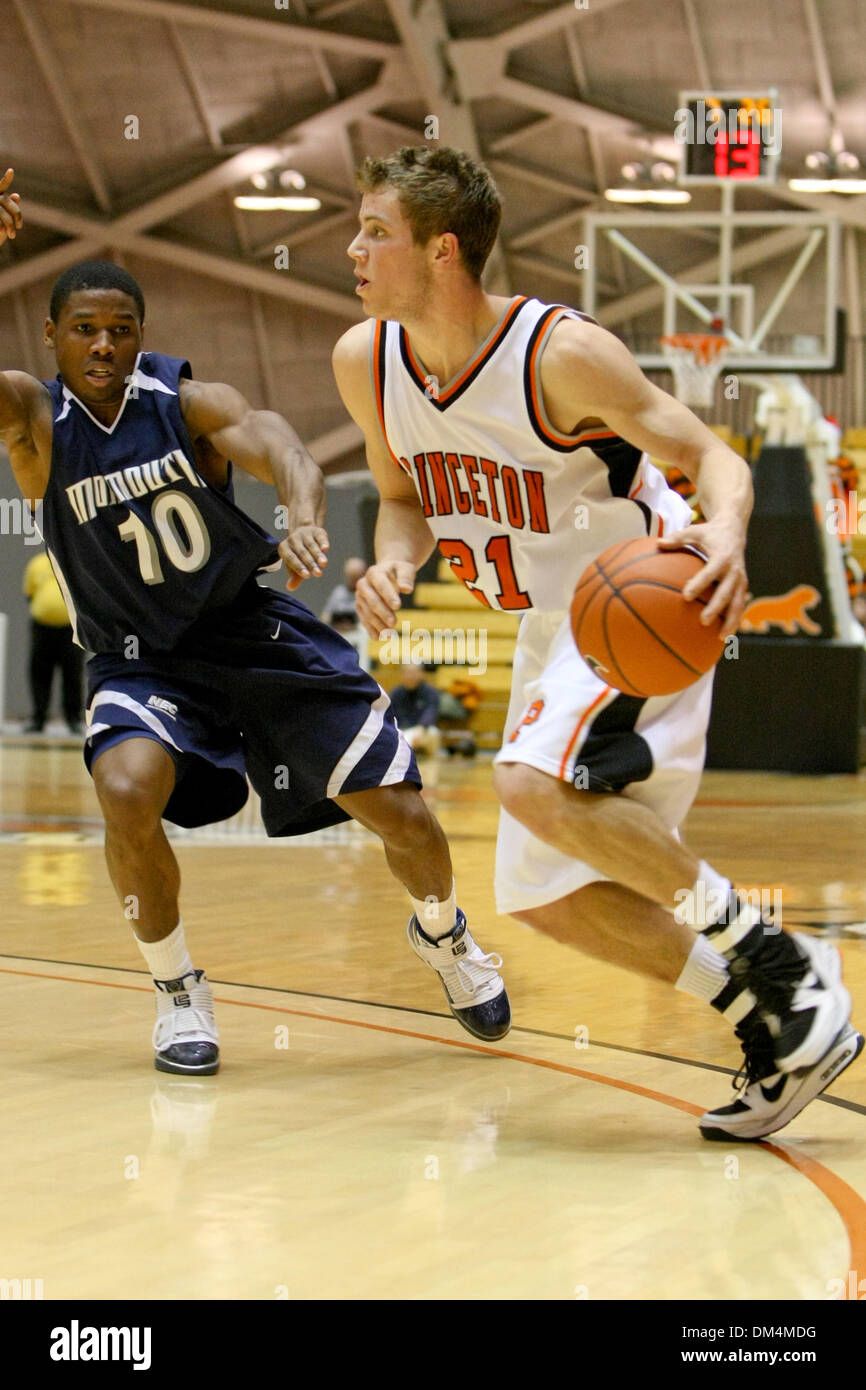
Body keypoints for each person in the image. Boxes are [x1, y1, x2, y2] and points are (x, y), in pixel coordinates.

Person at [332, 143, 862, 1141]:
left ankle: (783, 964)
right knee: (539, 892)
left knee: (528, 783)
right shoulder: (366, 359)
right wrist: (394, 565)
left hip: (643, 589)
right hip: (551, 620)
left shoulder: (557, 355)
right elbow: (399, 498)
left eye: (374, 232)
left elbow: (707, 452)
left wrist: (729, 535)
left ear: (442, 250)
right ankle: (771, 1019)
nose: (351, 249)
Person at [0, 167, 510, 1076]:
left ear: (142, 334)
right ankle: (177, 992)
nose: (105, 346)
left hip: (253, 634)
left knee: (403, 817)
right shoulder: (35, 420)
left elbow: (276, 440)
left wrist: (306, 511)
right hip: (138, 662)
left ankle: (445, 935)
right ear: (53, 337)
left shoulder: (185, 404)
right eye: (85, 331)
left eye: (122, 330)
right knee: (123, 790)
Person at [22, 547, 84, 734]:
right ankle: (38, 719)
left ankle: (73, 720)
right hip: (42, 628)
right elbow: (29, 594)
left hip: (70, 629)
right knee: (40, 674)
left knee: (72, 674)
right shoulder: (36, 564)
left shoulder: (74, 561)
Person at [389, 664, 442, 757]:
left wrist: (421, 728)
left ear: (421, 674)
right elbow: (390, 716)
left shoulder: (430, 692)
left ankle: (432, 763)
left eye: (414, 673)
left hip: (422, 730)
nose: (410, 676)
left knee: (433, 733)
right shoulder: (396, 693)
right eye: (407, 673)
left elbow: (431, 711)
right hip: (401, 732)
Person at [321, 556, 368, 632]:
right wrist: (337, 621)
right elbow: (325, 617)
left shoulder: (368, 593)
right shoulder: (338, 593)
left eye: (356, 577)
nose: (354, 581)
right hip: (341, 634)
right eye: (351, 577)